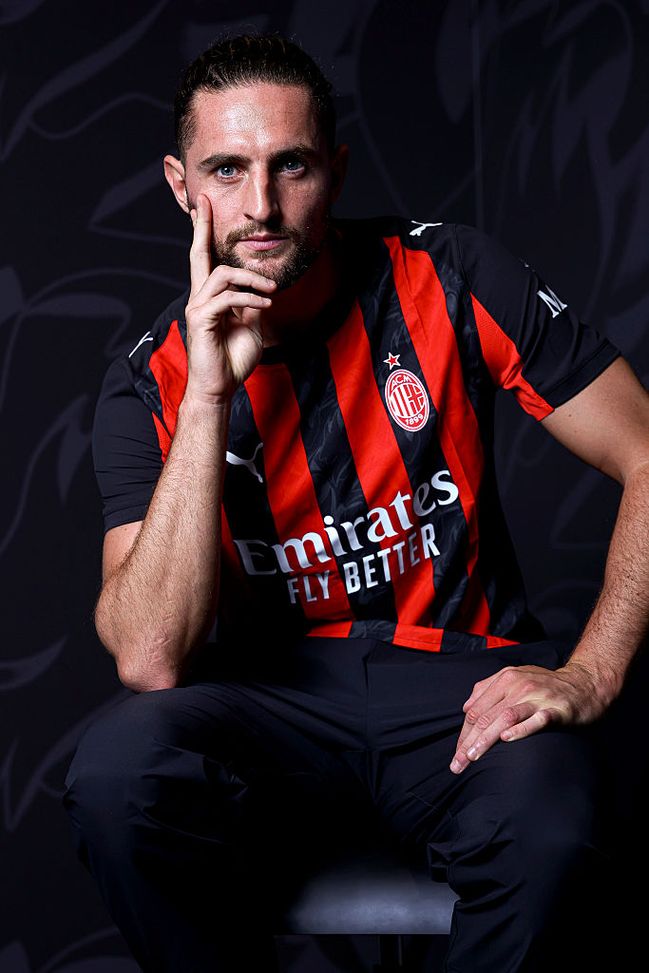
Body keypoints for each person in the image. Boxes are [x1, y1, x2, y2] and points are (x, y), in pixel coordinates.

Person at [62, 31, 649, 973]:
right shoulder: (149, 382)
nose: (259, 206)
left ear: (332, 169)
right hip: (266, 707)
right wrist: (211, 391)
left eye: (288, 165)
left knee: (555, 824)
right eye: (226, 169)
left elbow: (647, 449)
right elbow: (148, 654)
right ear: (181, 187)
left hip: (461, 687)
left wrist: (589, 673)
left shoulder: (449, 275)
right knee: (116, 774)